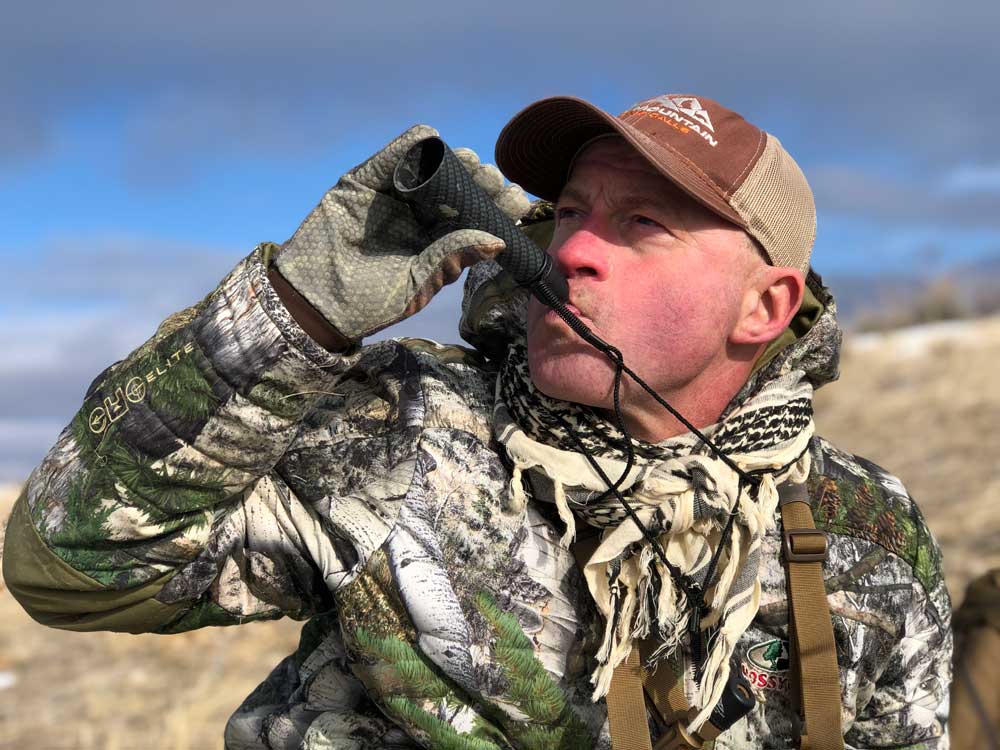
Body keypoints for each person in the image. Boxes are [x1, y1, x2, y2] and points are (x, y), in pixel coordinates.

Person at [2, 93, 951, 749]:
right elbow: (72, 567)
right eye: (569, 211)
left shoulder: (861, 522)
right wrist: (296, 312)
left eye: (642, 226)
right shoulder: (398, 431)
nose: (574, 247)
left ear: (764, 308)